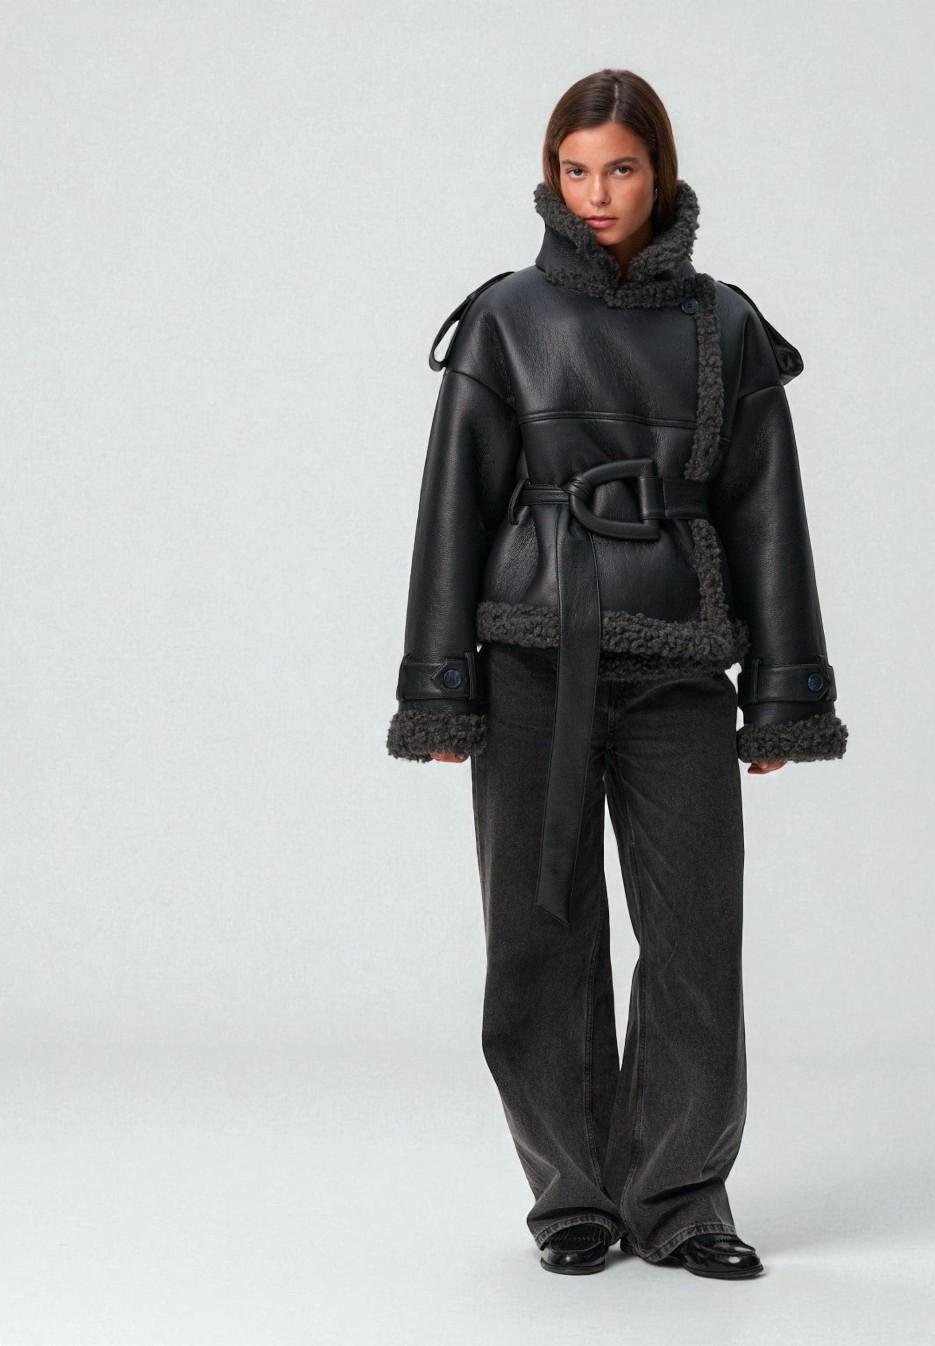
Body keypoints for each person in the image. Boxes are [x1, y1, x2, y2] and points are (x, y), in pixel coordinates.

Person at [386, 68, 848, 1279]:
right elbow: (450, 508)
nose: (596, 194)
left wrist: (783, 695)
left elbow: (767, 516)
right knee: (538, 937)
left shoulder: (724, 324)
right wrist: (439, 685)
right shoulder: (502, 318)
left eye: (621, 169)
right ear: (550, 175)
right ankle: (573, 1195)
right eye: (575, 169)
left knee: (694, 938)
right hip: (531, 658)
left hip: (678, 666)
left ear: (660, 171)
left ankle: (682, 1196)